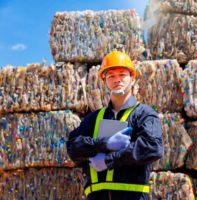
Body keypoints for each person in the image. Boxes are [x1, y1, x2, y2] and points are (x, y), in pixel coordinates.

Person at [67, 51, 163, 200]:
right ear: (104, 81)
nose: (117, 80)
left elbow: (152, 147)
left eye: (122, 75)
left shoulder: (144, 114)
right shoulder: (93, 118)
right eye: (111, 76)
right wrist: (104, 143)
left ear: (132, 78)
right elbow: (73, 146)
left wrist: (109, 160)